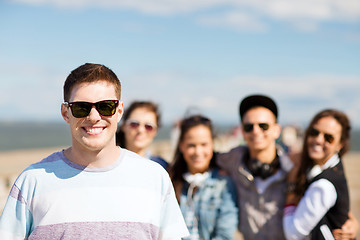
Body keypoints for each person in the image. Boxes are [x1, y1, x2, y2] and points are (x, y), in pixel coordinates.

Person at [0, 63, 189, 239]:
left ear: (119, 111)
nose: (93, 117)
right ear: (66, 113)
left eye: (105, 107)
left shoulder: (155, 178)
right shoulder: (32, 181)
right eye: (82, 108)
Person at [216, 94, 358, 240]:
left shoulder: (296, 167)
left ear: (277, 130)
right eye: (248, 127)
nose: (256, 131)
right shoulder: (233, 160)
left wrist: (350, 223)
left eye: (263, 126)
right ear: (243, 132)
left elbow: (329, 201)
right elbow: (203, 157)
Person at [283, 109, 354, 240]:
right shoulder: (331, 166)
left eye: (329, 137)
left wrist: (291, 191)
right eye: (314, 132)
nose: (318, 140)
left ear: (340, 144)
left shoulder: (323, 185)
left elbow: (293, 234)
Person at [168, 115, 238, 240]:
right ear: (181, 146)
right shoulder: (170, 181)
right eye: (191, 145)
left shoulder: (224, 183)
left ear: (212, 145)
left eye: (204, 144)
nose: (198, 152)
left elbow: (225, 234)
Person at [116, 101, 168, 169]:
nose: (141, 130)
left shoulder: (163, 167)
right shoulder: (106, 161)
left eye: (148, 127)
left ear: (156, 131)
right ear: (123, 126)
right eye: (134, 124)